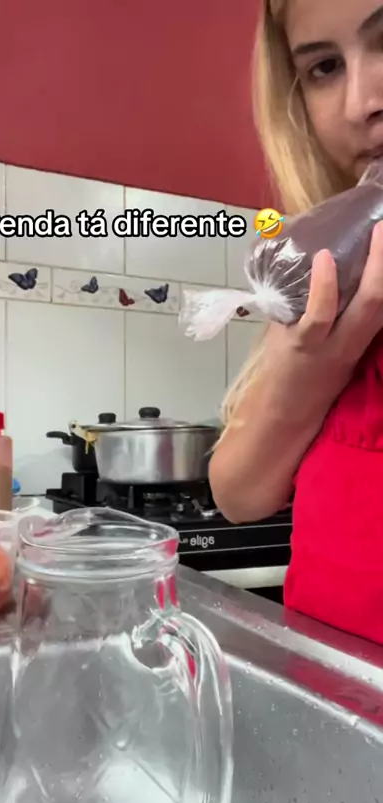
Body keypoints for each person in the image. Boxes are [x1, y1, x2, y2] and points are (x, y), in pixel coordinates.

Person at [209, 0, 383, 645]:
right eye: (325, 68)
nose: (361, 104)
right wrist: (319, 360)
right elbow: (239, 494)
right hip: (324, 693)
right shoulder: (339, 286)